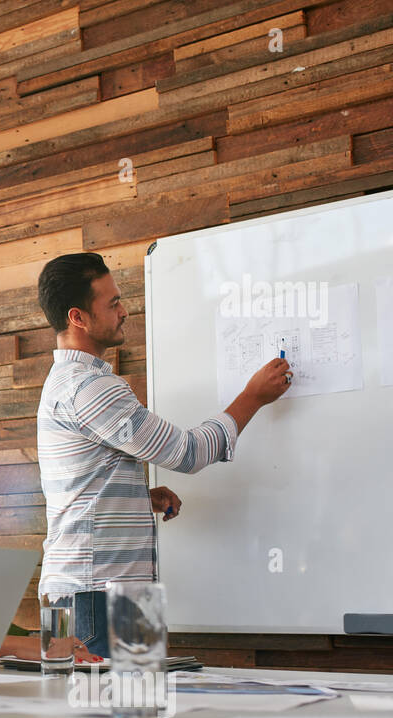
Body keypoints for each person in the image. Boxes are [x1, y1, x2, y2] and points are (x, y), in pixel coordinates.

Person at [35, 252, 291, 656]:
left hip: (96, 590)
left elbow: (83, 482)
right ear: (78, 318)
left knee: (129, 711)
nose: (124, 310)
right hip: (98, 593)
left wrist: (137, 497)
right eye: (113, 303)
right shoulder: (89, 388)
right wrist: (252, 397)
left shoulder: (72, 382)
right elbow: (188, 453)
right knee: (116, 712)